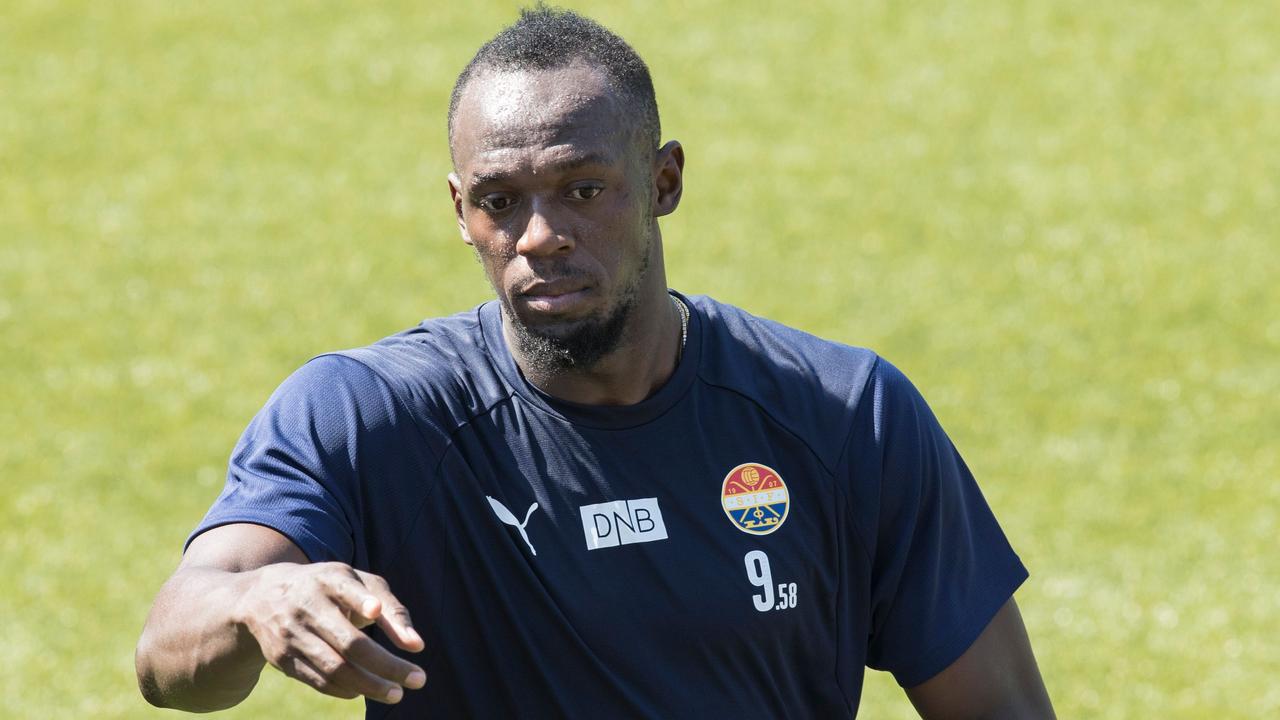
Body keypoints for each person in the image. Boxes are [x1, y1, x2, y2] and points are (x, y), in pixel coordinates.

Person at [136, 7, 1055, 718]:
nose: (540, 236)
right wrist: (259, 600)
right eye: (501, 201)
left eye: (583, 190)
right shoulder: (369, 417)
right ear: (460, 212)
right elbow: (170, 659)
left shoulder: (845, 417)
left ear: (663, 183)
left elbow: (1001, 707)